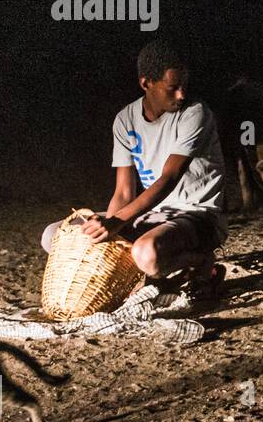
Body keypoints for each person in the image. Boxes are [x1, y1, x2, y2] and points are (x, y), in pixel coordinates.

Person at [41, 39, 228, 300]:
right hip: (150, 214)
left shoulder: (195, 113)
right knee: (55, 235)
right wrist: (108, 231)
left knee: (146, 255)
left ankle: (202, 261)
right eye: (173, 88)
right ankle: (130, 271)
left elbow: (169, 178)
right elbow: (124, 191)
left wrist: (117, 223)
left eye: (184, 86)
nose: (181, 95)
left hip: (196, 215)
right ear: (146, 83)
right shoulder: (125, 120)